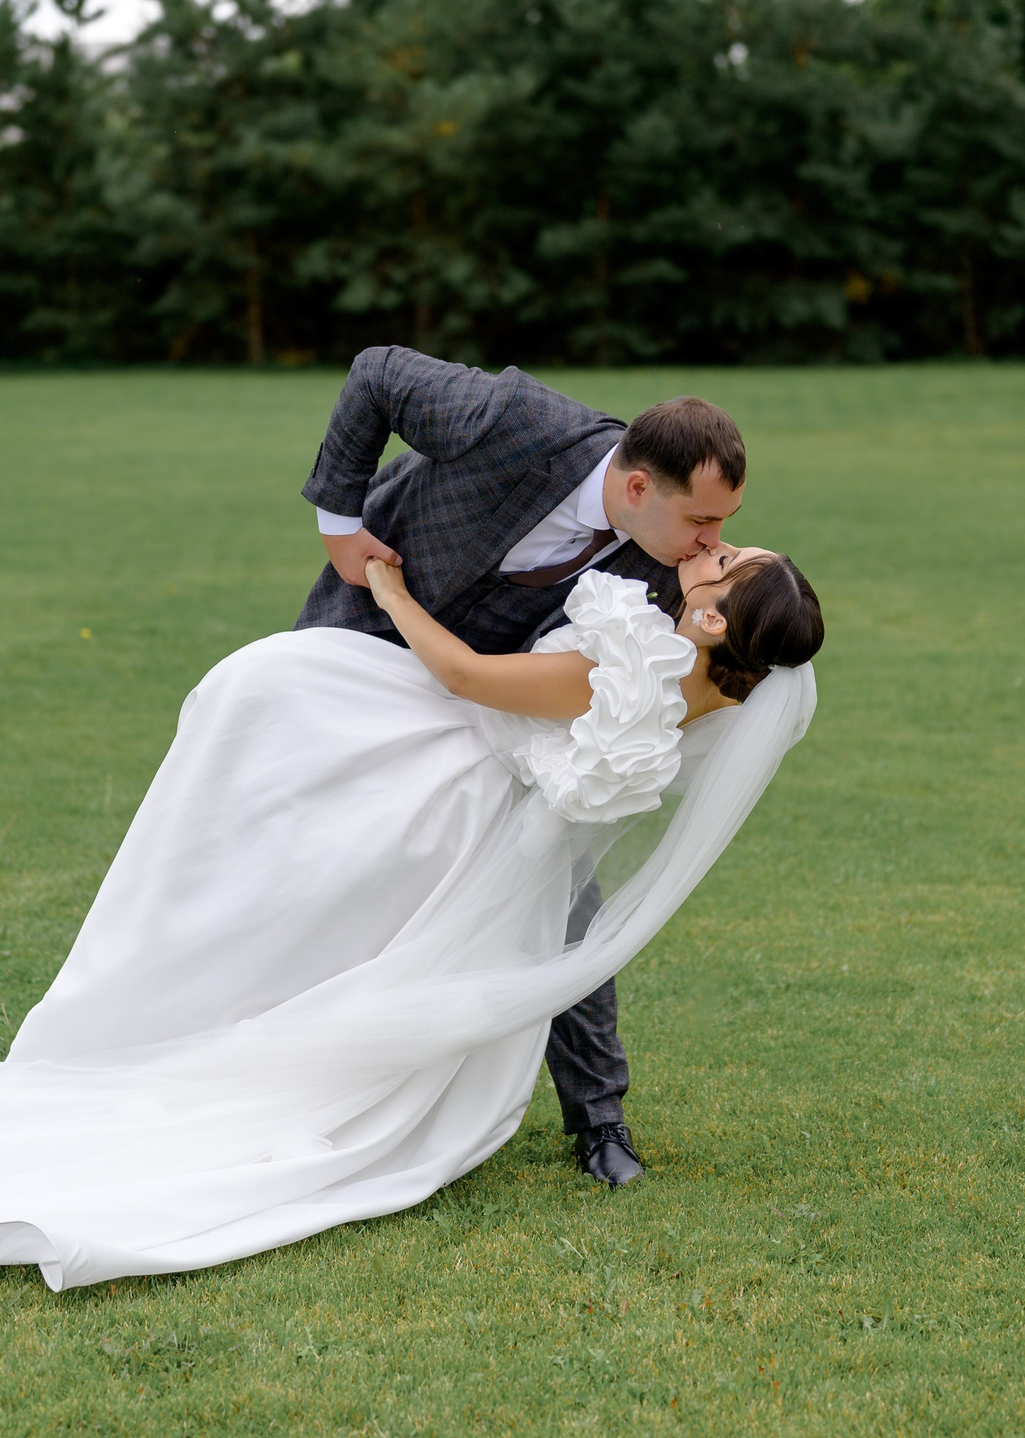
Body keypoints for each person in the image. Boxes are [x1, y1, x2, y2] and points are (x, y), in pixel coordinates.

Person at [0, 520, 823, 1292]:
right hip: (497, 828)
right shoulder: (716, 704)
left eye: (721, 567)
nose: (708, 551)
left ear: (713, 622)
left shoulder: (630, 673)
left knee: (269, 726)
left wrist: (386, 588)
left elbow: (470, 677)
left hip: (452, 782)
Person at [296, 346, 746, 1184]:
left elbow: (741, 626)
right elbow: (376, 374)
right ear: (639, 487)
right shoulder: (518, 420)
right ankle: (297, 1064)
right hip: (360, 637)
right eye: (702, 524)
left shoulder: (671, 567)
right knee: (318, 853)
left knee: (561, 879)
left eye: (722, 527)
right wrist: (339, 523)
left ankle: (599, 1120)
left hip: (494, 711)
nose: (712, 542)